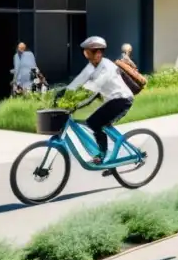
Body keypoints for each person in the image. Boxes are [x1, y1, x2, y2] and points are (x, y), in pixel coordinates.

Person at [58, 36, 139, 165]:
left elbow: (93, 88)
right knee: (98, 123)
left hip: (122, 100)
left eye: (88, 52)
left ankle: (102, 154)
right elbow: (80, 79)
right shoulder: (93, 65)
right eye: (85, 52)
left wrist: (78, 105)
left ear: (98, 53)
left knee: (94, 122)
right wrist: (64, 91)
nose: (86, 55)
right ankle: (112, 151)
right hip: (113, 100)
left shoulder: (107, 66)